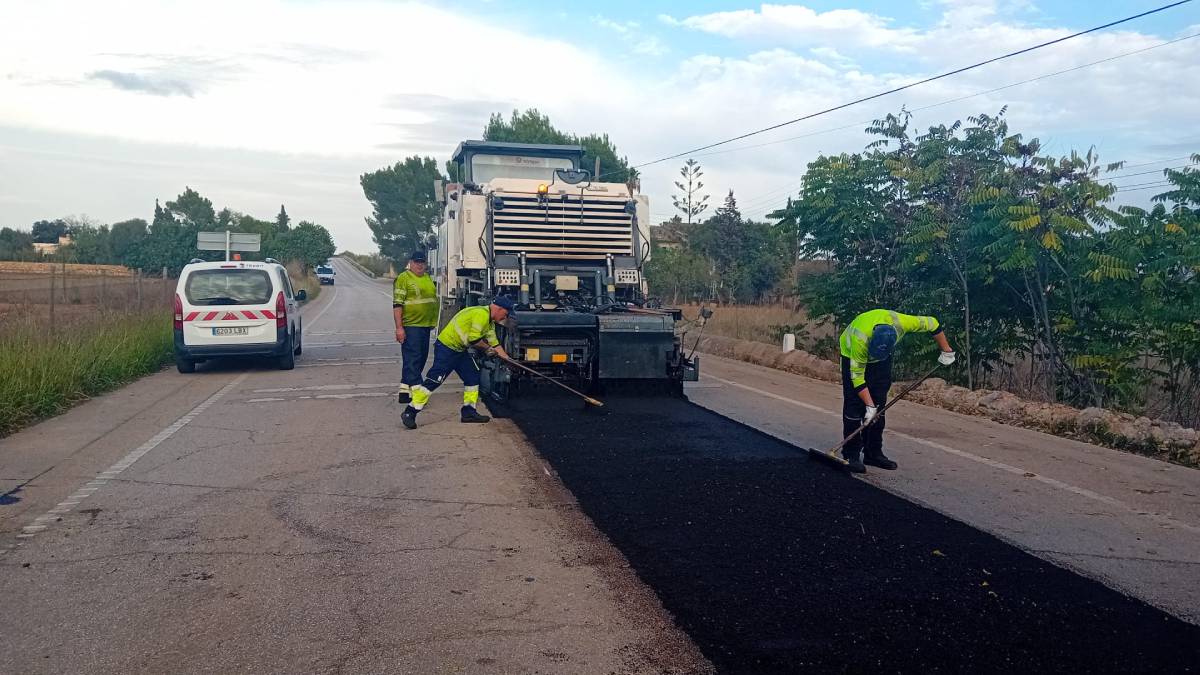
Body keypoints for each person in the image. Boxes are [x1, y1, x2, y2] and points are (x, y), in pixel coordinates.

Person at [839, 309, 955, 473]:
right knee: (854, 405)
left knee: (879, 403)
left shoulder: (903, 323)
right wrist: (868, 406)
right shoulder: (859, 339)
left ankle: (873, 453)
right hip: (851, 354)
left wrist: (946, 350)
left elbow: (933, 323)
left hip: (883, 360)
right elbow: (857, 379)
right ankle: (850, 454)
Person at [400, 297, 514, 429]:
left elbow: (496, 344)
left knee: (472, 376)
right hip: (446, 349)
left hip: (459, 350)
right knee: (434, 380)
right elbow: (474, 340)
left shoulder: (489, 323)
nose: (504, 318)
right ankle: (410, 412)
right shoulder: (481, 315)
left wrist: (508, 360)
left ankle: (469, 412)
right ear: (499, 309)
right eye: (505, 314)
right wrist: (487, 349)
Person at [393, 250, 438, 404]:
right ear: (410, 263)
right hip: (411, 325)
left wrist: (432, 321)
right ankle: (418, 394)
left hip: (425, 325)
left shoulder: (427, 278)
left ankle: (404, 391)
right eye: (417, 262)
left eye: (422, 262)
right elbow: (397, 304)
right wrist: (399, 328)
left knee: (421, 358)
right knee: (413, 358)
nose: (420, 265)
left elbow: (431, 300)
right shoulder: (403, 278)